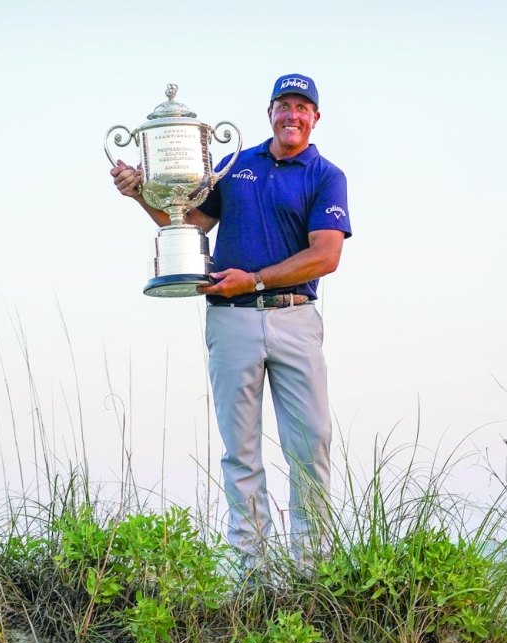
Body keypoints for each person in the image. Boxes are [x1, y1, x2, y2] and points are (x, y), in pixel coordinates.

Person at [110, 73, 351, 568]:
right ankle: (253, 576)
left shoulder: (326, 175)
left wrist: (255, 280)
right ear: (270, 113)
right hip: (230, 321)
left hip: (294, 320)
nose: (292, 115)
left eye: (302, 107)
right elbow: (188, 224)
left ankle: (311, 575)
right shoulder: (235, 164)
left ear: (315, 118)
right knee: (240, 453)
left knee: (311, 450)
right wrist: (140, 193)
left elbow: (326, 256)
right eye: (284, 105)